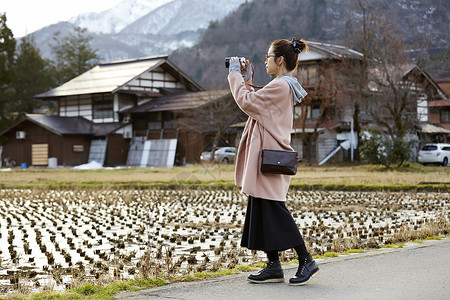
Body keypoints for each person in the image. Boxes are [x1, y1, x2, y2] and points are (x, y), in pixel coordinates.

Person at [227, 38, 319, 285]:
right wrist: (245, 78)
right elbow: (255, 102)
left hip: (270, 157)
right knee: (263, 208)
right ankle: (274, 265)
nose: (265, 60)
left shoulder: (280, 86)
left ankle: (306, 260)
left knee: (275, 211)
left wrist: (235, 75)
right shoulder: (280, 85)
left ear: (280, 60)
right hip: (268, 157)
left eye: (268, 56)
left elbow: (247, 102)